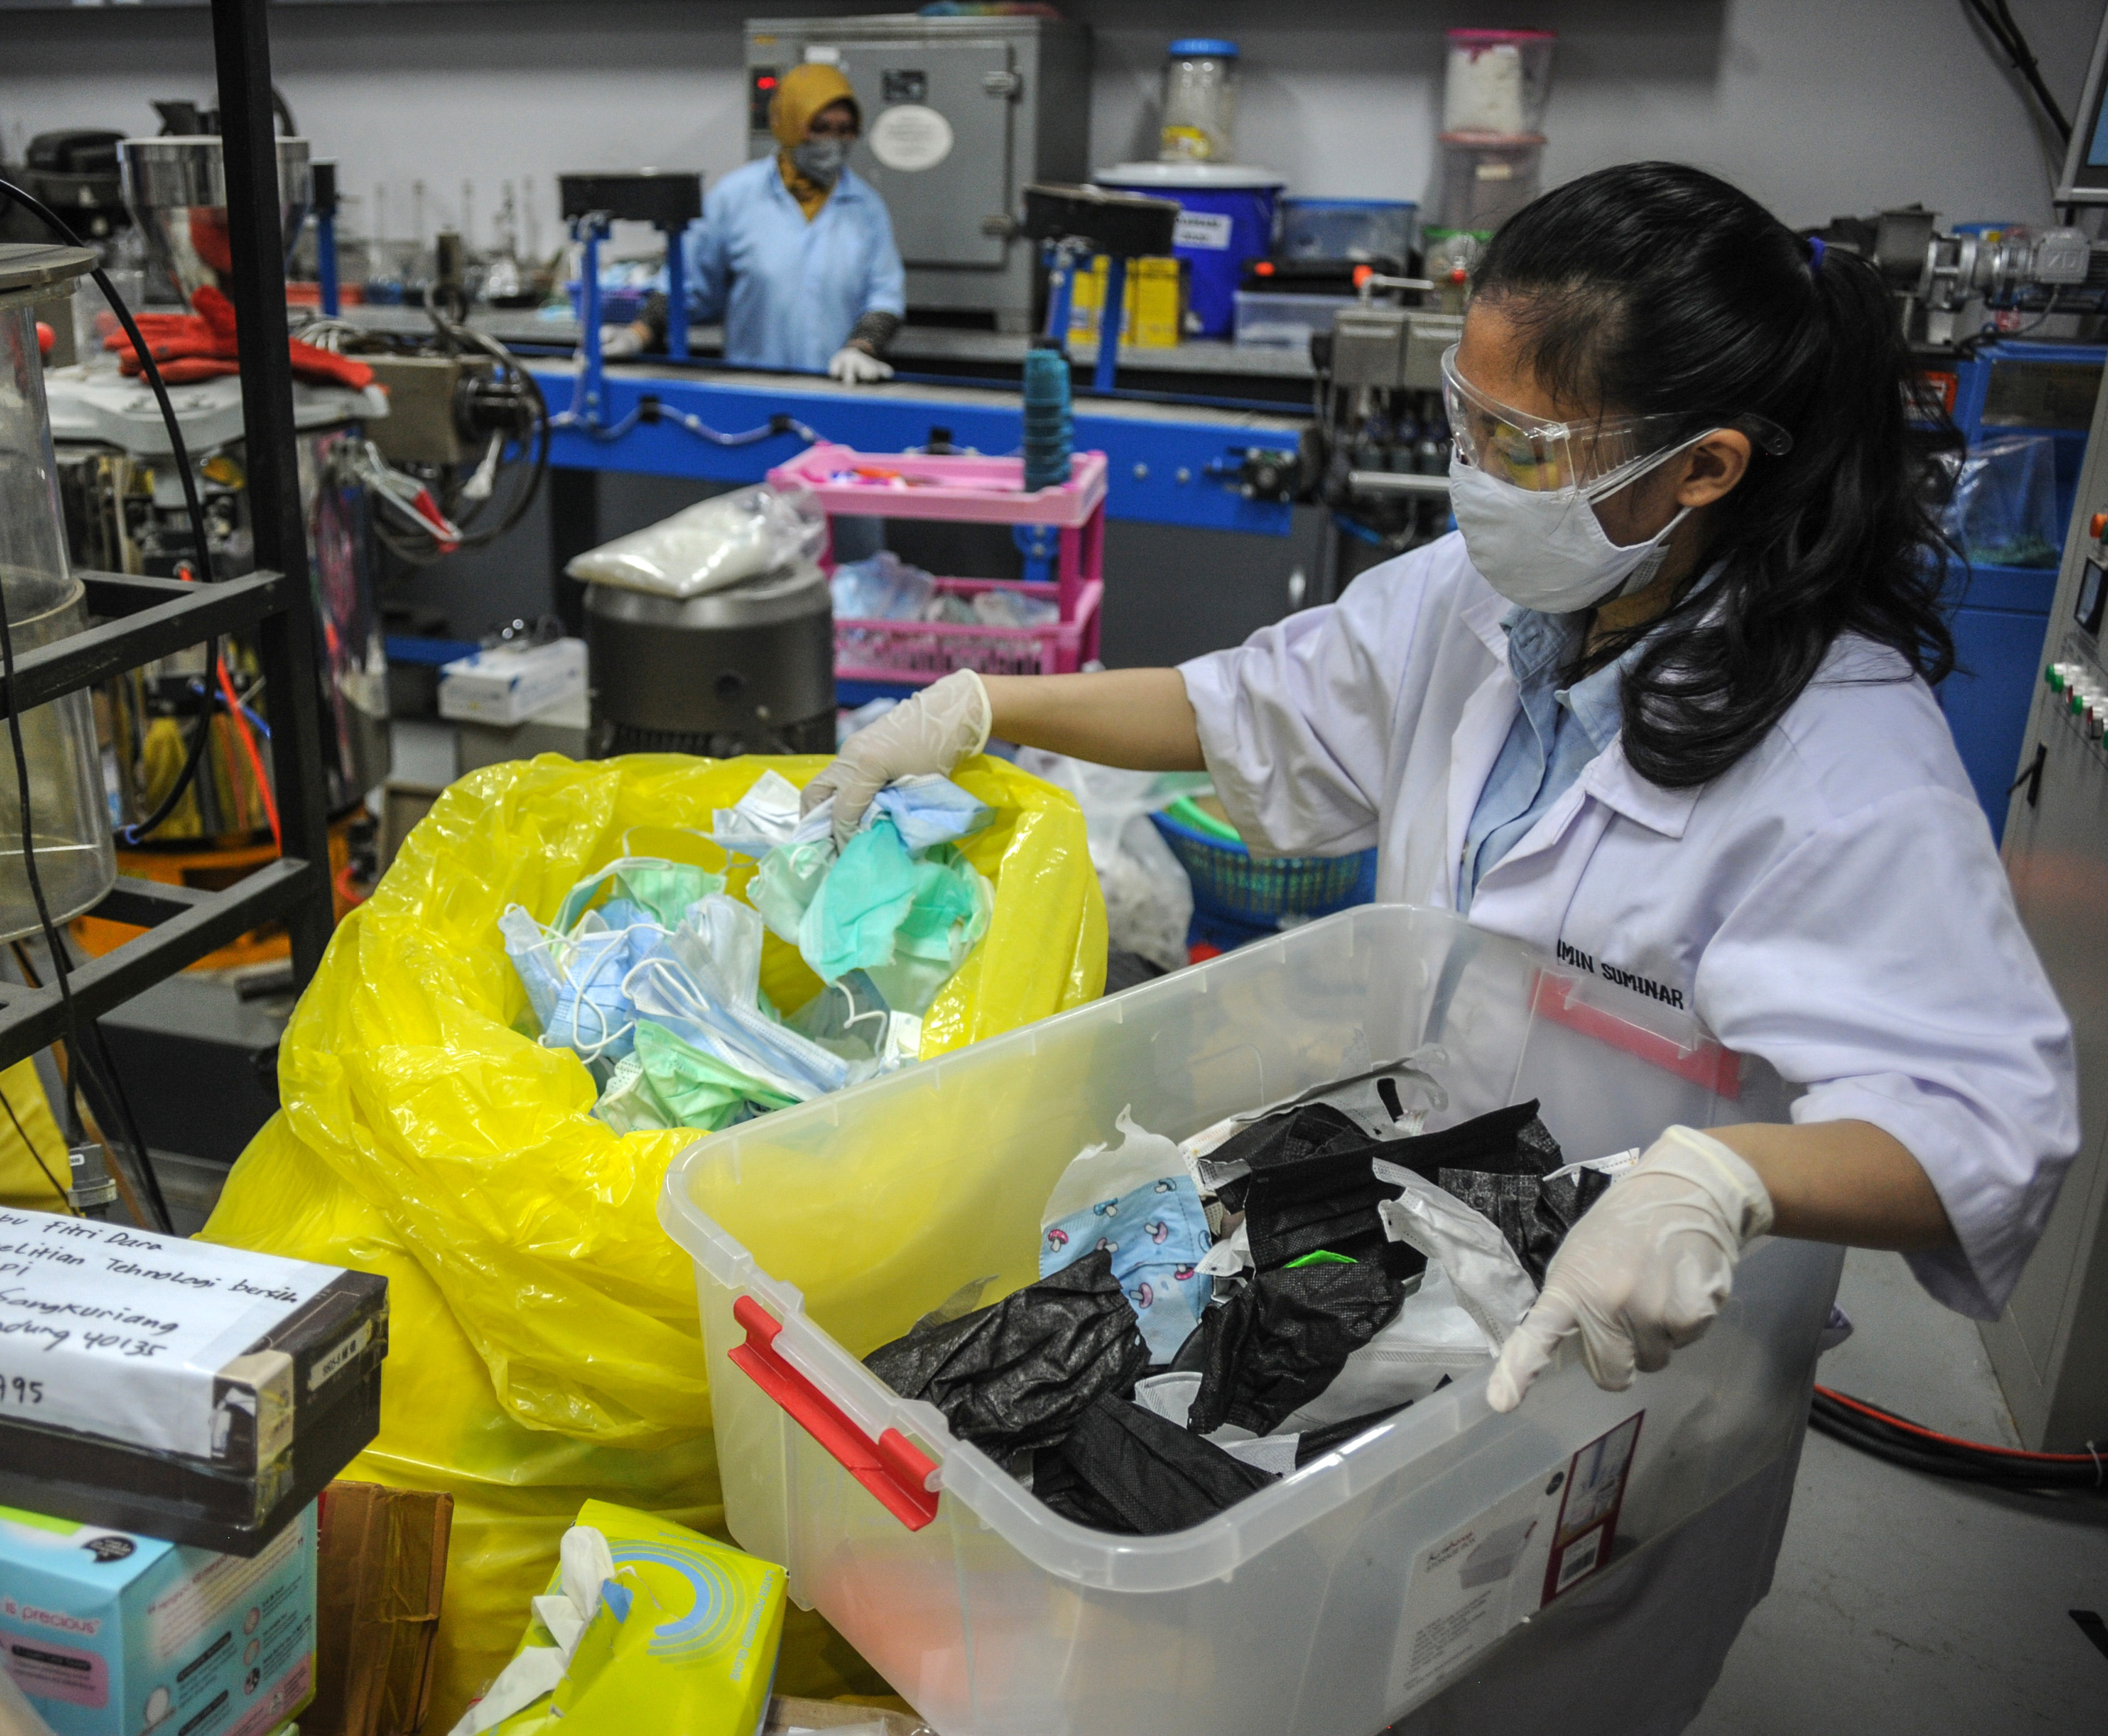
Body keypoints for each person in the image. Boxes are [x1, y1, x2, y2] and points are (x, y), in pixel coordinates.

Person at [804, 162, 2079, 1413]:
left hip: (1639, 1330)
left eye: (1518, 445)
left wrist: (1721, 1181)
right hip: (1432, 1242)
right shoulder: (1487, 600)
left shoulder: (1842, 759)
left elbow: (1983, 1131)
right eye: (1464, 415)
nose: (1468, 470)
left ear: (1701, 469)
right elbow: (1242, 707)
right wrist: (982, 705)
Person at [606, 62, 906, 382]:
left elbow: (884, 297)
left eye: (845, 129)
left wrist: (862, 348)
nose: (834, 141)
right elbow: (687, 286)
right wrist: (637, 334)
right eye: (820, 128)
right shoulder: (736, 197)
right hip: (752, 387)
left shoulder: (866, 207)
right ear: (789, 125)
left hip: (833, 387)